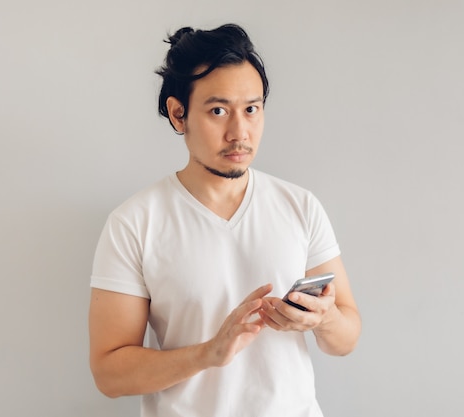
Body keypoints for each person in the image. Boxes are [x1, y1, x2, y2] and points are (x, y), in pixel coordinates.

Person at [88, 23, 361, 417]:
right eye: (218, 110)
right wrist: (209, 353)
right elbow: (109, 373)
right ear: (178, 114)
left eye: (251, 109)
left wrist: (324, 319)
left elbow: (346, 338)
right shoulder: (134, 223)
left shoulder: (299, 205)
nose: (240, 132)